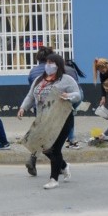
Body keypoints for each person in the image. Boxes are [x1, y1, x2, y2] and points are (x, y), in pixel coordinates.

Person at [17, 54, 81, 190]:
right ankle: (63, 166)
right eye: (47, 62)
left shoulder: (66, 79)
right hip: (44, 119)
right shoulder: (39, 80)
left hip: (61, 119)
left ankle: (54, 179)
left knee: (55, 148)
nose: (48, 65)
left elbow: (78, 95)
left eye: (52, 62)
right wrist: (23, 108)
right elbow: (30, 95)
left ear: (58, 65)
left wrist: (68, 96)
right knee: (44, 147)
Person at [24, 46, 54, 175]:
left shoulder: (33, 72)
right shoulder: (55, 72)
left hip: (39, 108)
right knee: (52, 137)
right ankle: (60, 165)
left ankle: (33, 158)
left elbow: (32, 91)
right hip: (53, 107)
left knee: (41, 134)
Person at [64, 58, 86, 149]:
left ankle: (71, 139)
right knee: (70, 116)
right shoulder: (72, 70)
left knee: (67, 117)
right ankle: (70, 138)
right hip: (80, 95)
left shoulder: (63, 70)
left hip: (71, 95)